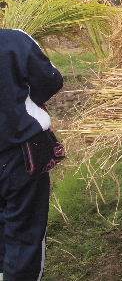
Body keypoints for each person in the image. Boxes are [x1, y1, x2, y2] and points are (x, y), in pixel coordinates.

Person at [0, 29, 63, 281]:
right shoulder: (14, 39)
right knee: (24, 232)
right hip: (19, 153)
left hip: (16, 152)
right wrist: (22, 100)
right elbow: (50, 80)